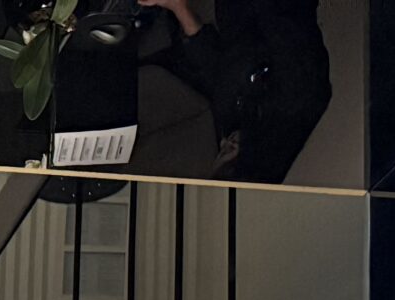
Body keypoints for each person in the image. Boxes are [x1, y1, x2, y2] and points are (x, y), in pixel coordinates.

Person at [135, 0, 333, 183]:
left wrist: (179, 8)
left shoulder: (234, 124)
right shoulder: (299, 99)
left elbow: (212, 65)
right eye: (230, 148)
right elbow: (284, 17)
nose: (225, 143)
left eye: (222, 150)